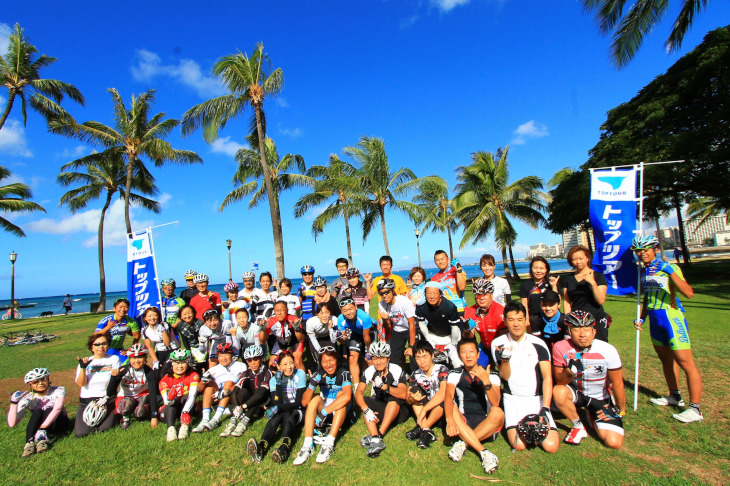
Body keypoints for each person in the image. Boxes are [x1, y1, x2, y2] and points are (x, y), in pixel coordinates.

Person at [631, 235, 703, 423]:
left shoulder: (670, 267)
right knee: (666, 360)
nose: (642, 253)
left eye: (645, 249)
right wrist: (642, 317)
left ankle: (695, 409)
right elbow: (648, 298)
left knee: (685, 362)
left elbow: (688, 293)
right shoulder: (644, 271)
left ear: (654, 248)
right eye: (638, 250)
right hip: (655, 320)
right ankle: (674, 396)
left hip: (671, 317)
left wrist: (669, 270)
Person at [490, 301, 559, 453]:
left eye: (520, 319)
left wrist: (546, 407)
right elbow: (504, 376)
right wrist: (506, 359)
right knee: (519, 445)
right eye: (511, 319)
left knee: (551, 447)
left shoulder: (538, 343)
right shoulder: (498, 344)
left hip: (537, 399)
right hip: (513, 399)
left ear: (526, 320)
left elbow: (548, 378)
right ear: (505, 321)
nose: (516, 324)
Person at [553, 310, 626, 448]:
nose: (582, 334)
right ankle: (578, 426)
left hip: (600, 397)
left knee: (614, 443)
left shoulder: (608, 350)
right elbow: (560, 382)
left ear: (594, 331)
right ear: (569, 331)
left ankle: (591, 412)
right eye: (576, 329)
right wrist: (570, 371)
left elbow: (617, 383)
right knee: (558, 391)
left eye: (587, 329)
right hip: (577, 393)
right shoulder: (560, 347)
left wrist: (620, 409)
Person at [444, 337, 503, 474]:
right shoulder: (454, 373)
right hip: (464, 422)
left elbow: (495, 402)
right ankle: (484, 452)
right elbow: (448, 396)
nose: (468, 355)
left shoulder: (492, 374)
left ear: (478, 354)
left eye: (471, 351)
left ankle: (463, 444)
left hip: (487, 424)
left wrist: (486, 382)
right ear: (459, 355)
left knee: (498, 412)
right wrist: (449, 420)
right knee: (451, 405)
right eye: (464, 352)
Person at [292, 348, 353, 466]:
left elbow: (347, 397)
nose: (328, 365)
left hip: (341, 413)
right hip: (325, 413)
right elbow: (304, 402)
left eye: (331, 360)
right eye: (324, 361)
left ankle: (329, 443)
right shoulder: (319, 373)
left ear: (337, 360)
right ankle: (307, 445)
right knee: (314, 399)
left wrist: (323, 412)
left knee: (341, 396)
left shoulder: (344, 372)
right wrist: (313, 385)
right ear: (320, 363)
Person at [247, 351, 307, 464]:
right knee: (276, 417)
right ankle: (261, 446)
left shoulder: (300, 374)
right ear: (278, 366)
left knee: (289, 413)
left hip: (298, 411)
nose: (289, 367)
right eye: (284, 364)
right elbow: (277, 401)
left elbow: (299, 402)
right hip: (282, 410)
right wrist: (279, 382)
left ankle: (284, 448)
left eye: (291, 363)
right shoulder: (274, 380)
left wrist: (278, 407)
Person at [356, 341, 409, 457]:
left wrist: (385, 387)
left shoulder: (396, 370)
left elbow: (403, 394)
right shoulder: (369, 371)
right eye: (375, 359)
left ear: (388, 358)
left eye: (382, 358)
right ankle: (375, 438)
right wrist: (366, 410)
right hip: (380, 408)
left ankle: (379, 434)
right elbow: (358, 392)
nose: (378, 362)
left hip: (397, 411)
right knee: (365, 399)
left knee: (393, 398)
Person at [8, 368, 70, 457]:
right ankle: (29, 443)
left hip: (58, 423)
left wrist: (43, 428)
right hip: (41, 426)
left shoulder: (58, 390)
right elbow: (12, 423)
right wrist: (13, 403)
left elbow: (58, 408)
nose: (40, 383)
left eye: (43, 379)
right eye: (36, 382)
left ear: (48, 379)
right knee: (38, 412)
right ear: (30, 384)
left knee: (49, 408)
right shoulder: (28, 398)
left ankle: (42, 440)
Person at [220, 344, 273, 438]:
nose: (252, 363)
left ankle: (244, 423)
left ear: (261, 358)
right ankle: (233, 421)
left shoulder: (267, 372)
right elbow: (235, 391)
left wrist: (243, 407)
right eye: (249, 360)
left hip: (263, 402)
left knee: (257, 393)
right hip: (250, 403)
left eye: (255, 359)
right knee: (242, 391)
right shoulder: (247, 372)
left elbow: (261, 395)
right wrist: (236, 406)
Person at [192, 343, 246, 433]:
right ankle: (205, 419)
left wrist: (223, 392)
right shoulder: (214, 369)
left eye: (226, 354)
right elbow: (200, 388)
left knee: (228, 383)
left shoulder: (240, 365)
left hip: (233, 394)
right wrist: (204, 381)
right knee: (209, 386)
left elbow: (243, 381)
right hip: (216, 397)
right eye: (221, 355)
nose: (223, 358)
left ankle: (215, 419)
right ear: (217, 356)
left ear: (232, 355)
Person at [74, 332, 120, 437]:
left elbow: (115, 380)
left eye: (104, 343)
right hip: (87, 400)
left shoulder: (113, 359)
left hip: (107, 399)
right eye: (97, 344)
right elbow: (81, 384)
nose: (101, 346)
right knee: (81, 433)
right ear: (92, 347)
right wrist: (83, 368)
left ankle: (115, 417)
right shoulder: (86, 362)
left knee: (105, 428)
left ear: (108, 345)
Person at [404, 340, 449, 449]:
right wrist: (412, 399)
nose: (422, 361)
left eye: (425, 356)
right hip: (428, 411)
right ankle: (427, 431)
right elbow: (407, 398)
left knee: (443, 400)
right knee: (414, 392)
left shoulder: (442, 369)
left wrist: (424, 410)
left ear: (432, 356)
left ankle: (423, 427)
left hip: (442, 412)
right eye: (418, 358)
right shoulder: (415, 374)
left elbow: (443, 393)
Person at [105, 343, 160, 430]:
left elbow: (153, 393)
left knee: (140, 413)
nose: (137, 361)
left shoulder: (149, 372)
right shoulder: (123, 370)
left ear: (145, 358)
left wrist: (154, 416)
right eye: (134, 358)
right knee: (127, 405)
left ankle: (141, 414)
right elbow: (110, 392)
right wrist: (114, 378)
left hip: (142, 396)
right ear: (129, 359)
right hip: (126, 396)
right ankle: (125, 418)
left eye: (140, 357)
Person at [562, 245, 611, 342]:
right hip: (577, 321)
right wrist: (568, 319)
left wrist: (593, 283)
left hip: (596, 319)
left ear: (587, 258)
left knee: (599, 348)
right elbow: (567, 301)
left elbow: (600, 300)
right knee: (579, 349)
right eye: (574, 259)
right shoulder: (568, 278)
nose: (578, 261)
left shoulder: (598, 276)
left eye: (581, 258)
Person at [415, 282, 463, 367]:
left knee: (457, 361)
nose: (432, 296)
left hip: (451, 336)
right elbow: (421, 324)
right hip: (432, 335)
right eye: (429, 293)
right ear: (425, 294)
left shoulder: (450, 307)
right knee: (429, 361)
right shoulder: (420, 306)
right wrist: (428, 340)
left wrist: (453, 343)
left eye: (434, 293)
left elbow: (455, 327)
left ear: (440, 294)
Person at [334, 298, 375, 390]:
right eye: (345, 310)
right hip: (356, 334)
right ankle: (356, 387)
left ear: (355, 307)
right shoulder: (340, 318)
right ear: (341, 311)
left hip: (370, 334)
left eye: (350, 309)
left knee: (370, 360)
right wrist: (339, 337)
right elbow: (343, 340)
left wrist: (368, 350)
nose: (348, 312)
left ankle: (374, 385)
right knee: (352, 358)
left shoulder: (364, 317)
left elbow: (366, 337)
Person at [158, 349, 200, 441]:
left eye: (183, 363)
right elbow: (166, 401)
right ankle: (171, 429)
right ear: (172, 363)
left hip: (187, 406)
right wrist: (170, 399)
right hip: (171, 408)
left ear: (188, 363)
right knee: (174, 400)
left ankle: (184, 427)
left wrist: (185, 412)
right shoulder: (165, 379)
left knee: (185, 396)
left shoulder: (193, 375)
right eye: (177, 363)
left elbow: (192, 395)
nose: (180, 366)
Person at [464, 279, 505, 366]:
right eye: (478, 295)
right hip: (484, 346)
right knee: (477, 368)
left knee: (503, 371)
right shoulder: (470, 311)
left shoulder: (499, 311)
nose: (481, 298)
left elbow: (505, 339)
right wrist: (467, 330)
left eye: (485, 294)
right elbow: (470, 337)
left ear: (491, 295)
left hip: (500, 345)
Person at [377, 278, 416, 368]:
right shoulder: (382, 304)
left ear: (393, 291)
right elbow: (388, 327)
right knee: (394, 358)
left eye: (387, 292)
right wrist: (385, 320)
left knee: (414, 355)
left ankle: (415, 376)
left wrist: (411, 346)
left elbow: (412, 324)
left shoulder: (404, 302)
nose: (384, 295)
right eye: (381, 293)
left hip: (411, 328)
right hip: (397, 329)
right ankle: (396, 377)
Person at [519, 256, 561, 335]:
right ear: (531, 268)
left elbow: (558, 301)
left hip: (551, 319)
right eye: (535, 268)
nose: (538, 271)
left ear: (546, 269)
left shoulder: (551, 283)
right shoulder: (526, 285)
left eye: (541, 268)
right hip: (534, 321)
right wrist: (527, 321)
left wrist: (554, 286)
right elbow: (524, 306)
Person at [261, 301, 306, 371]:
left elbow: (301, 340)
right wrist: (263, 330)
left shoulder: (293, 319)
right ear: (274, 311)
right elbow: (262, 341)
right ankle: (277, 380)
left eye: (282, 310)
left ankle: (303, 380)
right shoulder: (270, 321)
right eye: (277, 311)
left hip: (295, 342)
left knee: (297, 362)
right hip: (281, 342)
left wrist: (297, 329)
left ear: (287, 310)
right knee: (272, 363)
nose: (279, 313)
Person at [141, 306, 178, 372]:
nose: (152, 318)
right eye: (149, 316)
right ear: (145, 318)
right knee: (156, 371)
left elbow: (167, 343)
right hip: (159, 350)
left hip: (172, 349)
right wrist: (156, 361)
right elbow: (150, 347)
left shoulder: (165, 325)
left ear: (158, 317)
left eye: (155, 315)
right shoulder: (144, 330)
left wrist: (163, 330)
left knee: (165, 370)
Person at [431, 250, 467, 315]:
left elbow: (461, 287)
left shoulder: (457, 270)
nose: (440, 262)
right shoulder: (434, 279)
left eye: (442, 259)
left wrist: (458, 268)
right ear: (435, 262)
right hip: (444, 312)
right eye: (437, 260)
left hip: (460, 309)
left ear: (448, 259)